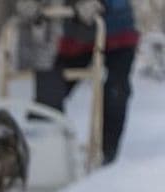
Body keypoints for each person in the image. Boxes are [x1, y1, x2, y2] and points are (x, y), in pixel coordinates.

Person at [18, 0, 139, 165]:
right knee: (51, 89)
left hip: (117, 32)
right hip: (78, 35)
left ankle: (105, 156)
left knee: (115, 90)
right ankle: (38, 149)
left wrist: (103, 3)